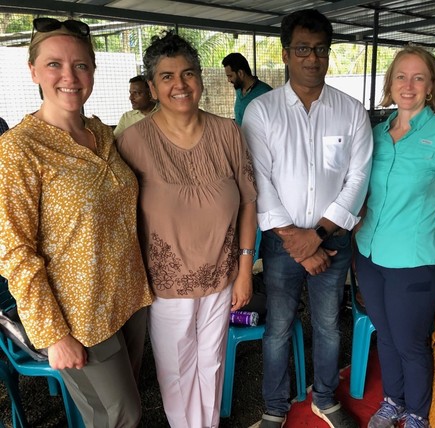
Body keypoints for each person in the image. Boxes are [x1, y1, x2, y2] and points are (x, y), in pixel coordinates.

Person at [0, 17, 153, 427]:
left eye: (81, 65)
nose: (69, 76)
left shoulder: (103, 133)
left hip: (129, 298)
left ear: (93, 72)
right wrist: (52, 333)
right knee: (122, 414)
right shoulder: (19, 148)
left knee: (117, 409)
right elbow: (14, 251)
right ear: (32, 70)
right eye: (54, 64)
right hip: (78, 315)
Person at [117, 31, 257, 428]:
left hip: (223, 275)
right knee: (176, 371)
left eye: (188, 73)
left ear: (199, 77)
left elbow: (249, 201)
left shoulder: (228, 133)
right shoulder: (132, 142)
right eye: (166, 76)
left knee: (211, 362)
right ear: (152, 86)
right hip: (166, 283)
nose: (180, 84)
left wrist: (245, 271)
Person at [242, 9, 373, 428]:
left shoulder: (351, 111)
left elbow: (358, 178)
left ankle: (325, 399)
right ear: (285, 54)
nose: (312, 58)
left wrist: (316, 235)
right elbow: (258, 180)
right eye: (302, 49)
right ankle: (274, 408)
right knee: (278, 326)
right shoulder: (261, 112)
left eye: (320, 50)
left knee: (330, 325)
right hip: (282, 241)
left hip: (331, 238)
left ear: (329, 55)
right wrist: (294, 239)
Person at [354, 46, 435, 428]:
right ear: (389, 84)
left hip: (415, 261)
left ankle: (418, 413)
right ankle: (394, 401)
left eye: (419, 77)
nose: (409, 84)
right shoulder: (374, 134)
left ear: (432, 85)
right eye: (401, 76)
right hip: (370, 254)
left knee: (409, 343)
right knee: (385, 338)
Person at [222, 52, 272, 125]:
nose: (229, 80)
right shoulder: (239, 90)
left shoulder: (266, 93)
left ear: (240, 73)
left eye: (230, 76)